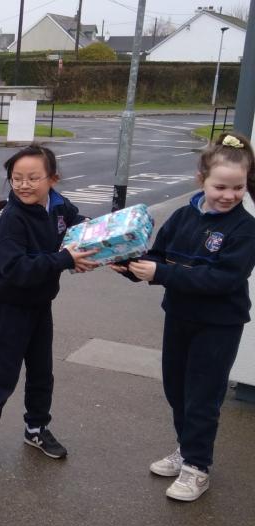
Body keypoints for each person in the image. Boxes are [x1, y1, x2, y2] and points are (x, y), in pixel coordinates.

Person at [111, 132, 255, 502]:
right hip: (179, 316)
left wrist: (160, 274)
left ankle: (197, 467)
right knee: (177, 390)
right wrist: (127, 265)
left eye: (238, 188)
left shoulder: (245, 229)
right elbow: (159, 256)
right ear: (201, 180)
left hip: (219, 324)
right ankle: (185, 449)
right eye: (220, 186)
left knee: (203, 397)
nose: (229, 195)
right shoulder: (182, 216)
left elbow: (224, 279)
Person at [0, 144, 98, 471]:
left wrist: (99, 242)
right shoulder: (12, 220)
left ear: (52, 179)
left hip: (41, 306)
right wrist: (64, 259)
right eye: (16, 179)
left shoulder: (57, 206)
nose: (24, 185)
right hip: (9, 309)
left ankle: (36, 428)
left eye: (33, 178)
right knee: (3, 377)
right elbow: (16, 269)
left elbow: (77, 225)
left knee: (42, 374)